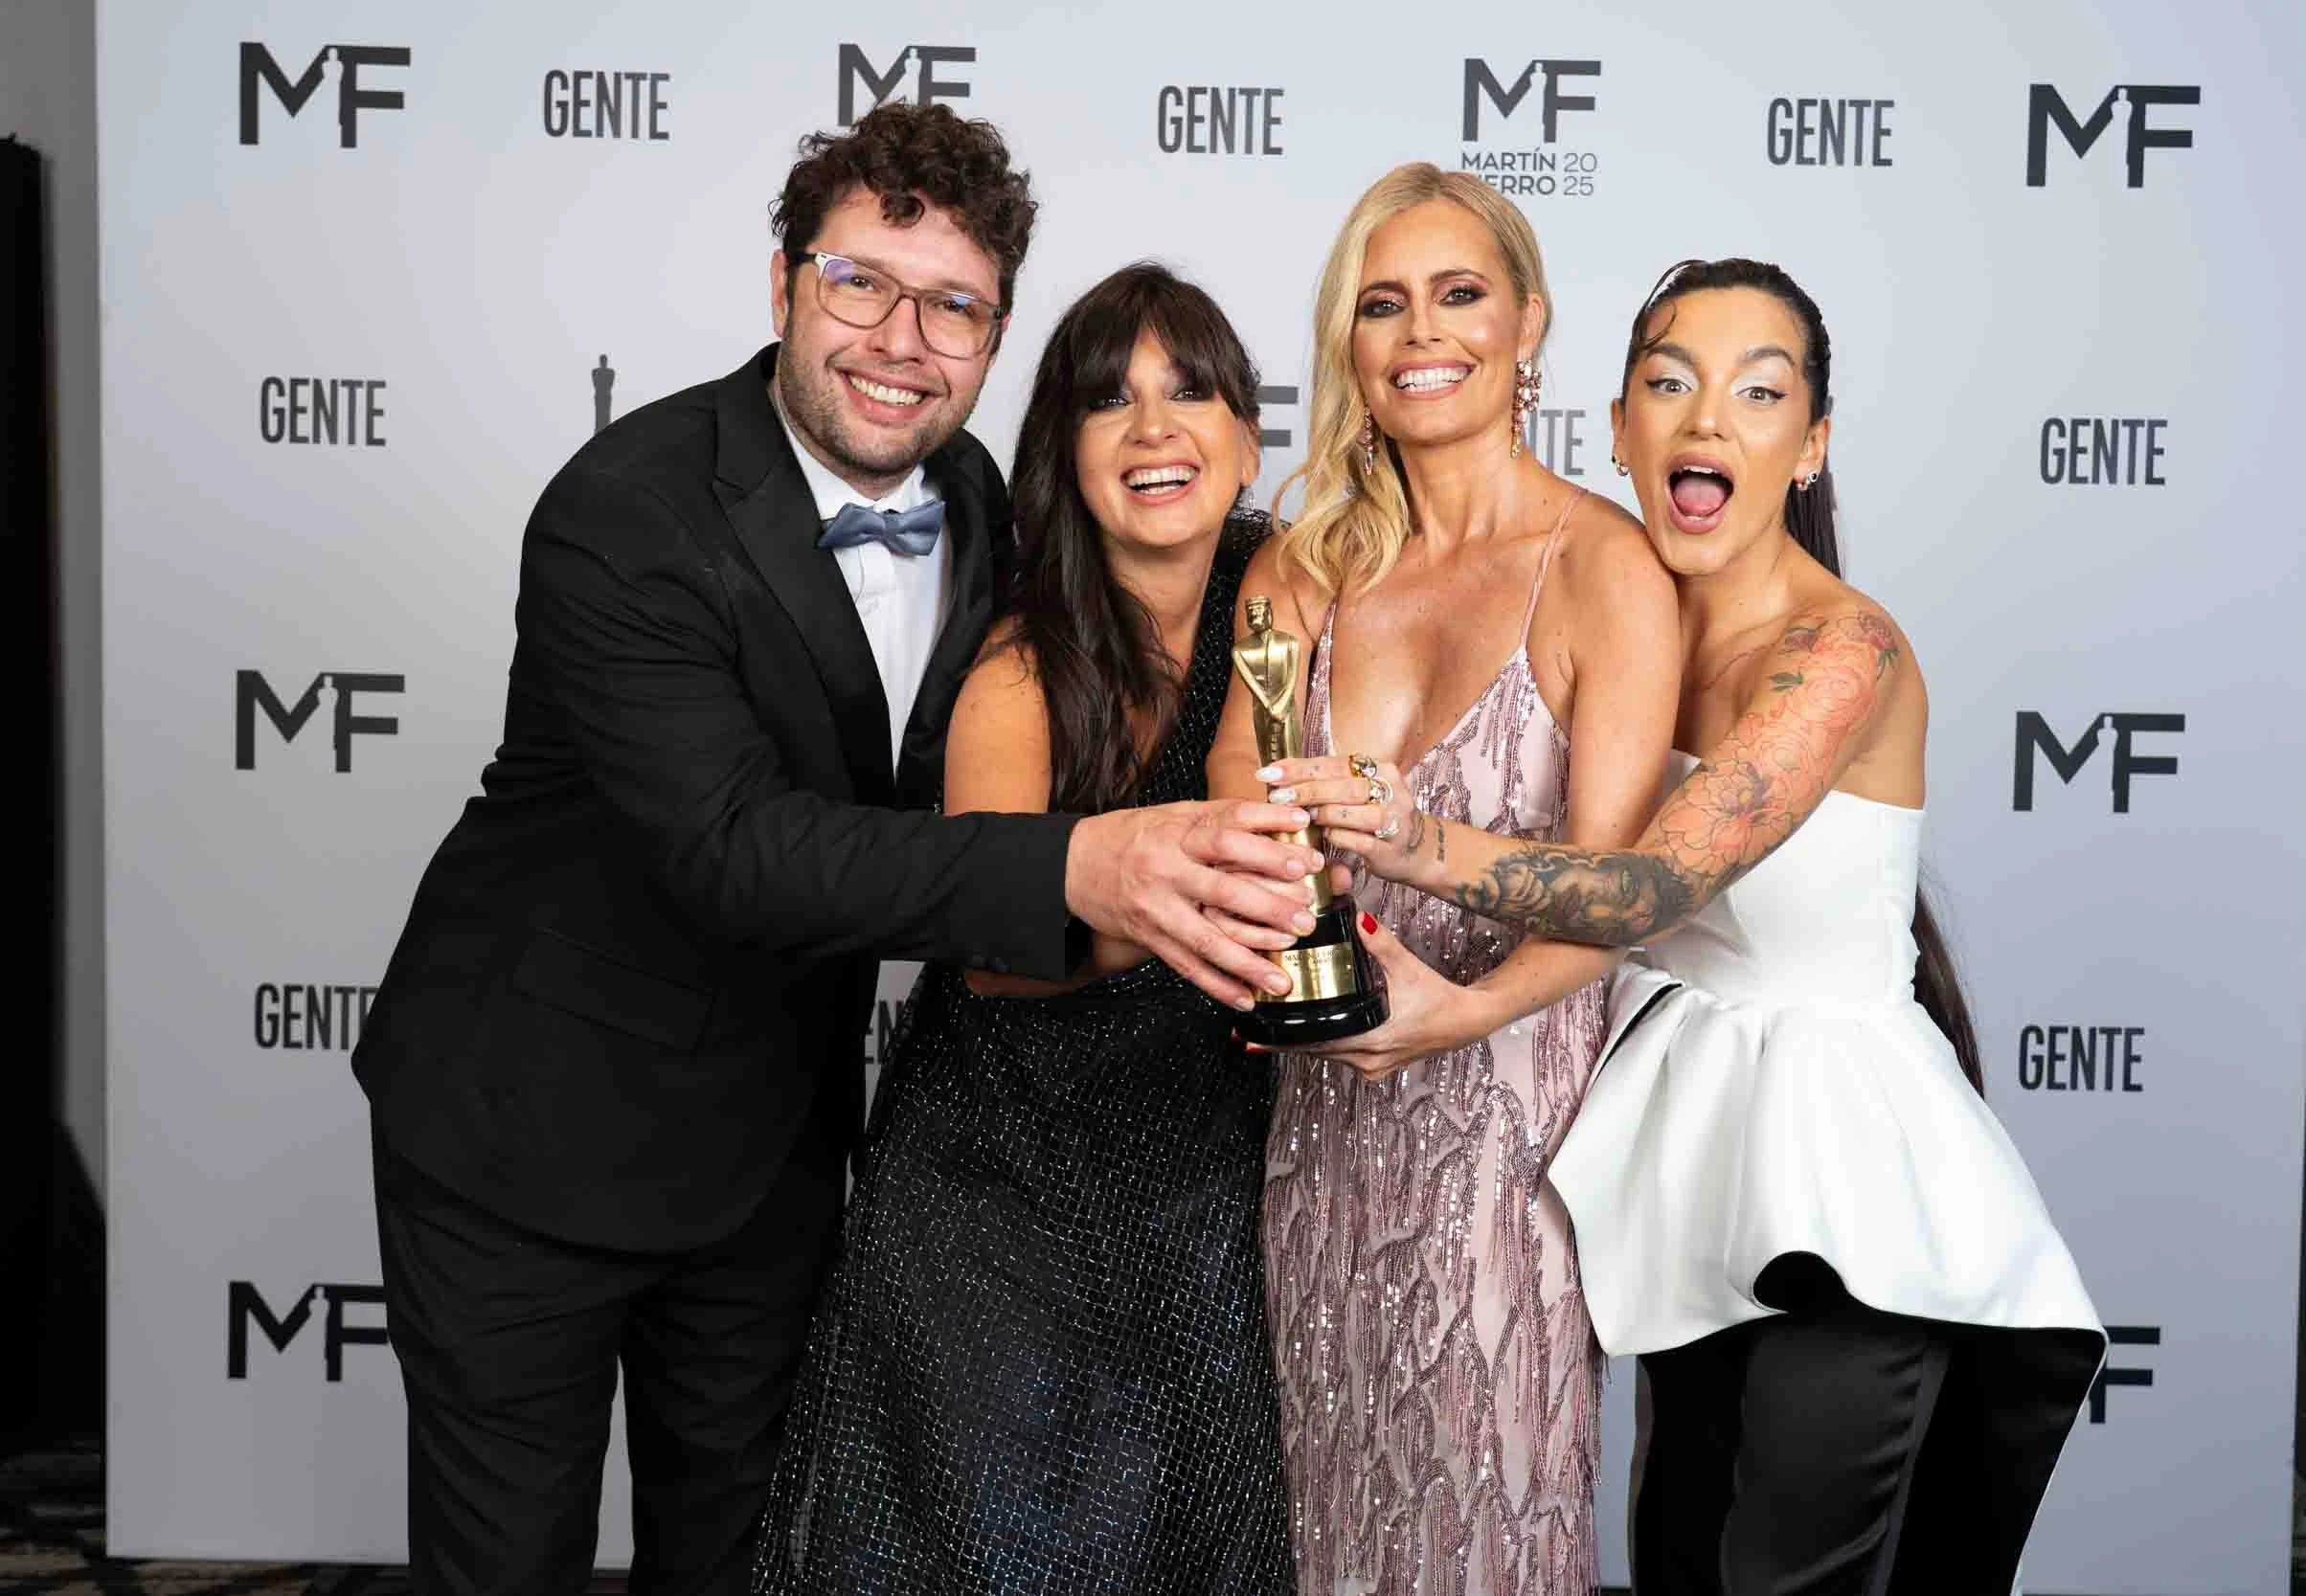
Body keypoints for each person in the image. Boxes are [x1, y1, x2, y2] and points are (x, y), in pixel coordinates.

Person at [351, 107, 1321, 1596]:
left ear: (993, 337)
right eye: (862, 282)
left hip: (775, 1151)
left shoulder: (989, 509)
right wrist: (1072, 871)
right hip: (530, 1129)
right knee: (508, 1563)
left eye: (954, 306)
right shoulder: (631, 513)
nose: (902, 338)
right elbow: (737, 851)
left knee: (740, 1557)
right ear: (784, 285)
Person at [1271, 258, 2107, 1594]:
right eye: (1670, 383)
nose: (1707, 419)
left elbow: (1651, 889)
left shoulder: (1845, 653)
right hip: (1694, 1173)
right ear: (1616, 428)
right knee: (1675, 1562)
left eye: (1758, 392)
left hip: (1851, 1206)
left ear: (1810, 444)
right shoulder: (1624, 614)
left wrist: (1406, 830)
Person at [750, 261, 1298, 1596]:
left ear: (1246, 433)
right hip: (1001, 1184)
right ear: (1065, 451)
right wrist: (1183, 908)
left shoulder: (1288, 591)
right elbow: (996, 951)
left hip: (1206, 1185)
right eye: (1109, 401)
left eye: (1191, 392)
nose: (1155, 428)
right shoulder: (1020, 659)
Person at [1206, 164, 1681, 1594]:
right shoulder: (1300, 570)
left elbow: (1614, 896)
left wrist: (1450, 1015)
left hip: (1509, 1142)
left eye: (1460, 293)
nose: (1423, 331)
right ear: (1348, 346)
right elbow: (1237, 795)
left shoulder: (1603, 567)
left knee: (1490, 1527)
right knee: (1336, 1524)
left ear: (1529, 321)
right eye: (1383, 302)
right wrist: (1274, 889)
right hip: (1325, 1137)